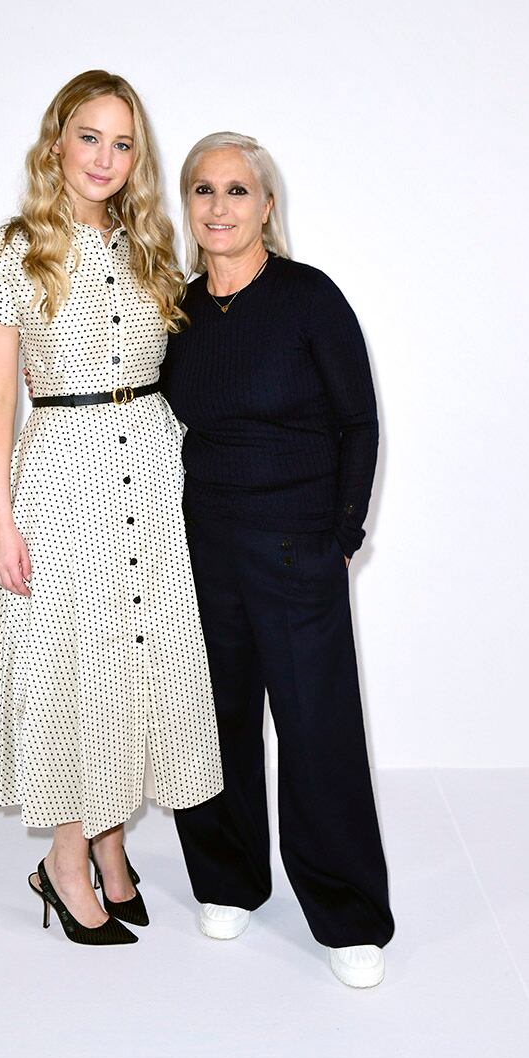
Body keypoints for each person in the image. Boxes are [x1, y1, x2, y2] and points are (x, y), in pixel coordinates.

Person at [0, 72, 222, 947]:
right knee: (78, 665)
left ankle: (110, 847)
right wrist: (1, 522)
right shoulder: (12, 252)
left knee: (135, 660)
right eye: (90, 137)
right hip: (64, 476)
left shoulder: (150, 247)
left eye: (123, 142)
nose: (105, 158)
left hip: (150, 462)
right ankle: (65, 862)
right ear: (56, 141)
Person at [161, 132, 394, 986]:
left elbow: (358, 422)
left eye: (236, 190)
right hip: (203, 548)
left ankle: (347, 917)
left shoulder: (307, 299)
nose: (218, 207)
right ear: (187, 206)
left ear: (266, 205)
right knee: (214, 724)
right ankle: (228, 880)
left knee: (317, 731)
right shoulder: (178, 311)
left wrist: (341, 535)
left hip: (297, 548)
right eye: (201, 190)